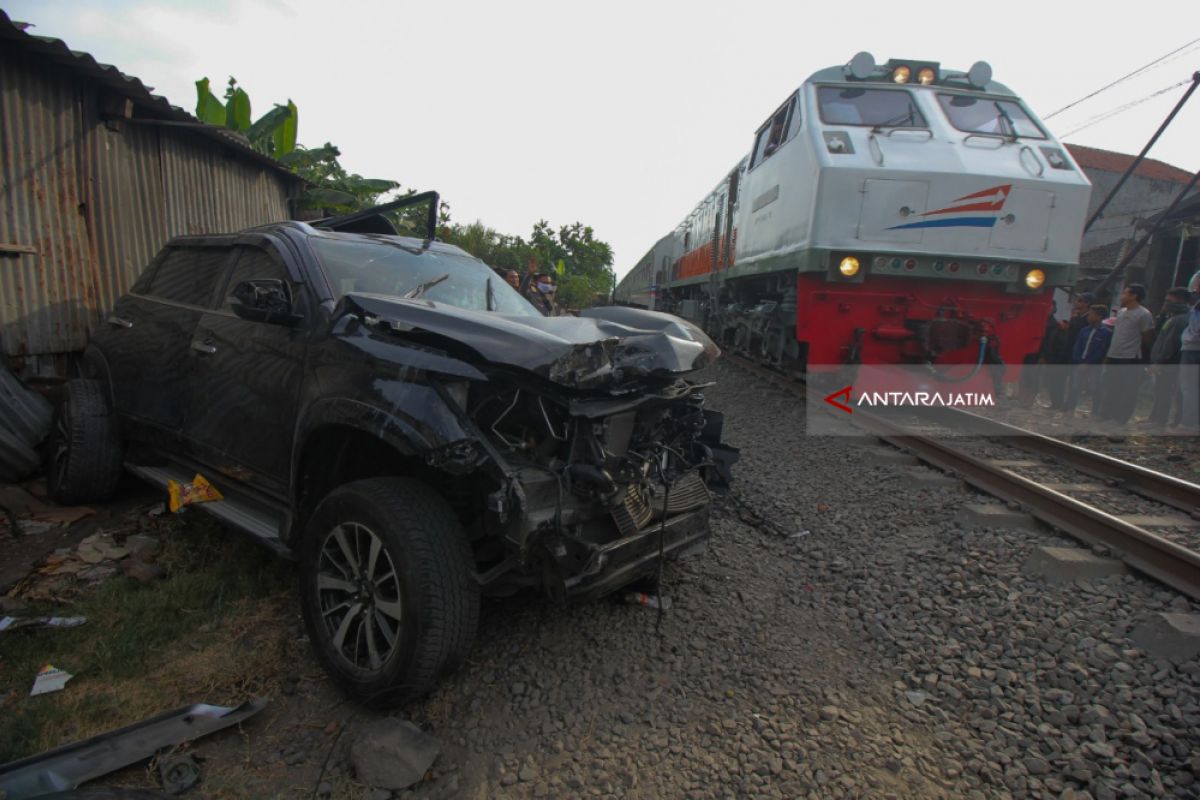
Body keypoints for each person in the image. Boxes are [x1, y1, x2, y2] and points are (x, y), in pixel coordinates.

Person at [1099, 283, 1155, 425]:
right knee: (1112, 387)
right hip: (1115, 355)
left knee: (1127, 390)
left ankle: (1121, 418)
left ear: (1133, 296)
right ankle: (1108, 415)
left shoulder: (1144, 314)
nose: (1122, 296)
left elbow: (1147, 337)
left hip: (1131, 357)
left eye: (1125, 293)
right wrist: (1108, 355)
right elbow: (1117, 336)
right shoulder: (1121, 312)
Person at [1143, 287, 1192, 428]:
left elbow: (1171, 343)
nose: (1166, 303)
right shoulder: (1171, 317)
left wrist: (1159, 361)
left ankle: (1159, 420)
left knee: (1165, 391)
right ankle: (1154, 418)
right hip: (1165, 361)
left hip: (1169, 363)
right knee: (1160, 390)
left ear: (1181, 300)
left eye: (1170, 300)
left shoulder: (1181, 319)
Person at [1065, 304, 1112, 414]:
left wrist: (1088, 362)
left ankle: (1095, 411)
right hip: (1079, 363)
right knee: (1075, 386)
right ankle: (1070, 408)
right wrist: (1079, 361)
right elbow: (1077, 346)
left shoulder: (1106, 333)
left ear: (1099, 316)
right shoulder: (1084, 330)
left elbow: (1102, 351)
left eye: (1091, 314)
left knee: (1094, 388)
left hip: (1094, 365)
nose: (1088, 317)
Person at [1174, 290, 1200, 435]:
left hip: (1193, 349)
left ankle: (1188, 424)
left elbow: (1196, 330)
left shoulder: (1198, 307)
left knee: (1189, 388)